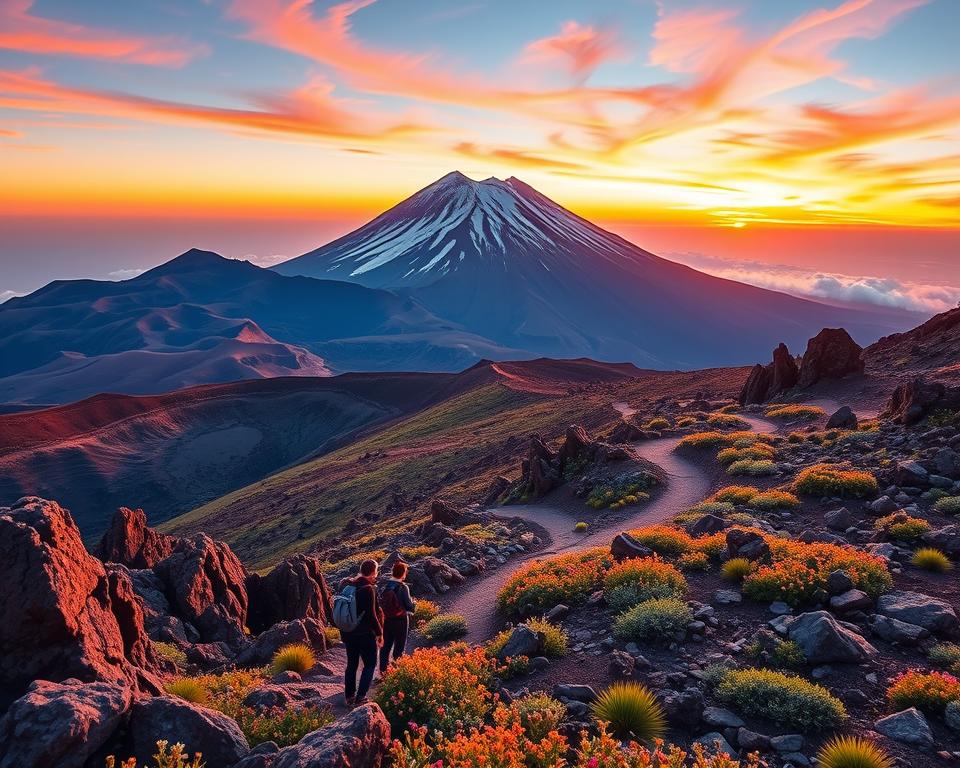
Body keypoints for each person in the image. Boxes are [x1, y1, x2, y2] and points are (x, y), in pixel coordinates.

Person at [339, 559, 383, 706]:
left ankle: (349, 696)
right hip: (365, 634)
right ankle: (361, 697)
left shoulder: (349, 586)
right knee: (370, 664)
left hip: (349, 633)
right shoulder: (367, 589)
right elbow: (371, 615)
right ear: (372, 572)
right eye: (376, 570)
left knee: (352, 664)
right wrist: (379, 633)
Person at [379, 560, 416, 674]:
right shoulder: (403, 587)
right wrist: (414, 603)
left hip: (387, 619)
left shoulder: (386, 586)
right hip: (401, 620)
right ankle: (397, 671)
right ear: (403, 573)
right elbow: (409, 606)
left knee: (386, 646)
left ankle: (383, 671)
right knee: (399, 646)